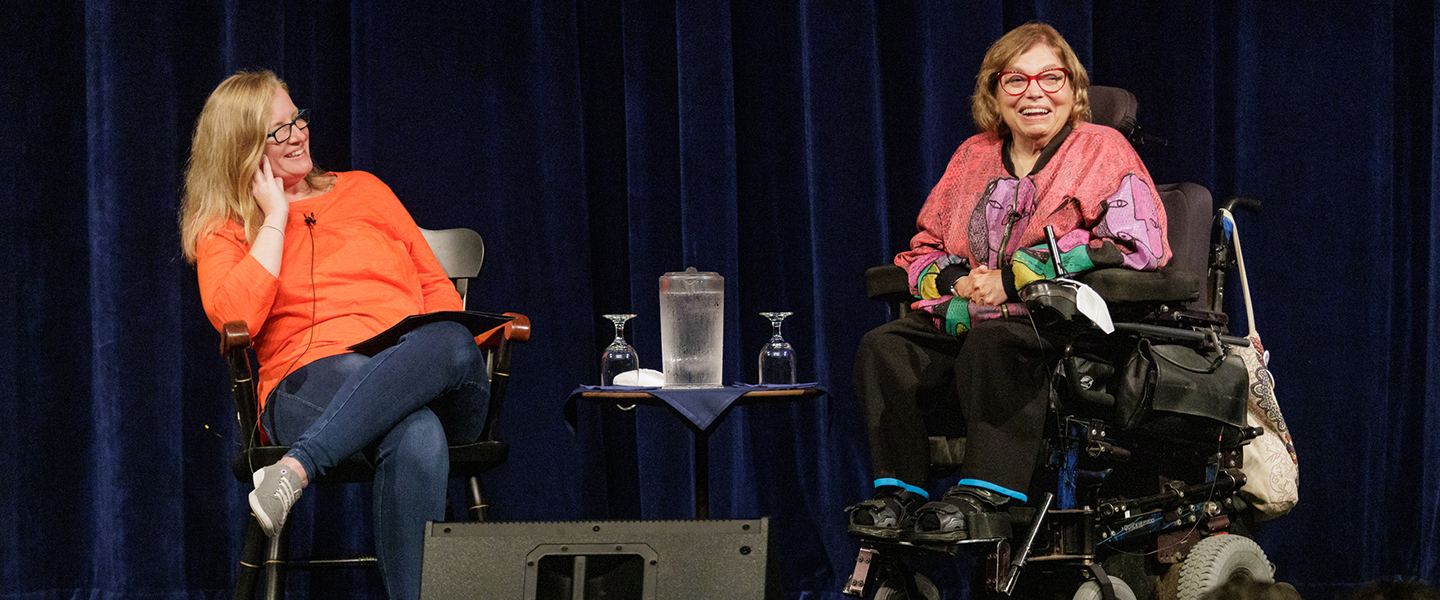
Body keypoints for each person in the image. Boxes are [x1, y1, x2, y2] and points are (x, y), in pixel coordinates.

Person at [847, 22, 1170, 544]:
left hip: (1058, 327)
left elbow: (1141, 243)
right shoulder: (972, 156)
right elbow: (925, 246)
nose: (1034, 93)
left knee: (995, 341)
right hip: (969, 315)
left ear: (1074, 89)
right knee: (884, 347)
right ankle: (900, 492)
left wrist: (1017, 280)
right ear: (994, 93)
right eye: (1015, 80)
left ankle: (987, 491)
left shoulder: (1102, 149)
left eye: (1051, 77)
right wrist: (959, 281)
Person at [179, 69, 489, 600]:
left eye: (297, 119)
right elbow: (238, 318)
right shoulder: (227, 228)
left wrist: (418, 367)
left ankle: (294, 470)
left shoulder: (366, 190)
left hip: (422, 373)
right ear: (243, 149)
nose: (298, 134)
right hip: (309, 384)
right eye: (277, 131)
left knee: (456, 342)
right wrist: (275, 219)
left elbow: (437, 292)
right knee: (416, 434)